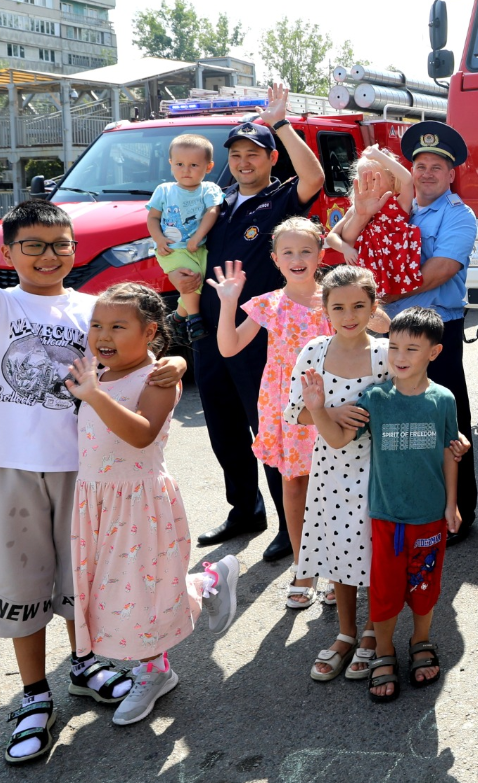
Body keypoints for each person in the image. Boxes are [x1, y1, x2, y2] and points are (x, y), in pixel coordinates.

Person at [0, 185, 185, 762]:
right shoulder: (2, 304)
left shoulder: (88, 306)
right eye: (33, 246)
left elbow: (135, 346)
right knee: (22, 583)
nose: (48, 255)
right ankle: (33, 694)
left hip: (82, 470)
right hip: (11, 464)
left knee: (80, 581)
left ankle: (84, 666)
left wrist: (174, 359)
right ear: (10, 252)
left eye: (60, 245)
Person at [65, 283, 242, 725]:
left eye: (118, 326)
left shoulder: (159, 378)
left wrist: (93, 395)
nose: (103, 334)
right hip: (96, 501)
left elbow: (142, 433)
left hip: (140, 502)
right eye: (97, 325)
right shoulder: (97, 375)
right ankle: (207, 583)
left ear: (149, 332)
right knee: (114, 592)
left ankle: (154, 671)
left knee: (139, 594)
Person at [169, 83, 325, 564]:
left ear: (271, 159)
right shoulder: (218, 201)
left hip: (263, 336)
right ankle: (245, 509)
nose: (243, 162)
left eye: (253, 154)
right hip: (213, 331)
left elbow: (314, 176)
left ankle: (288, 522)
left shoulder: (281, 200)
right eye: (235, 154)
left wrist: (280, 121)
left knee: (271, 430)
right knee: (223, 425)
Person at [337, 120, 478, 538]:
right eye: (420, 165)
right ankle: (405, 508)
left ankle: (460, 512)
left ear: (452, 174)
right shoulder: (388, 203)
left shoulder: (460, 215)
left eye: (438, 166)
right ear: (410, 171)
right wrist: (357, 224)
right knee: (395, 422)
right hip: (387, 328)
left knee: (447, 421)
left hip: (438, 329)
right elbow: (341, 239)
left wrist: (377, 290)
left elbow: (440, 271)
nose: (428, 173)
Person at [208, 219, 332, 608]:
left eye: (306, 251)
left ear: (320, 255)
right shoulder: (269, 304)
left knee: (334, 487)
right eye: (288, 252)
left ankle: (336, 570)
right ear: (276, 259)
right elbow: (229, 348)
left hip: (332, 402)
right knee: (294, 484)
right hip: (287, 407)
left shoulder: (334, 298)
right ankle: (303, 567)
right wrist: (228, 304)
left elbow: (375, 328)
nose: (297, 259)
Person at [288, 265, 390, 682]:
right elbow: (295, 412)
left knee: (376, 549)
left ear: (373, 307)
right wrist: (328, 411)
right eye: (339, 307)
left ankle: (372, 631)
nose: (349, 315)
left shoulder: (387, 352)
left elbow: (417, 398)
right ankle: (346, 633)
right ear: (325, 308)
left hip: (380, 469)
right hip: (331, 471)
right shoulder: (313, 350)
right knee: (340, 550)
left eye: (359, 306)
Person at [358, 307, 465, 702]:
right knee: (384, 590)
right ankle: (383, 650)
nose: (400, 357)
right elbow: (336, 435)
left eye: (412, 349)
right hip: (386, 518)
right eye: (394, 347)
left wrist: (452, 505)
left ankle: (421, 640)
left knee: (425, 586)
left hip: (430, 518)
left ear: (434, 353)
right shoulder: (375, 398)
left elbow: (450, 453)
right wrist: (319, 407)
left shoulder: (443, 400)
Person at [325, 146, 422, 303]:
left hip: (394, 273)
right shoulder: (356, 208)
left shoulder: (399, 204)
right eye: (363, 179)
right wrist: (346, 249)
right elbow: (331, 237)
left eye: (374, 178)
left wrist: (378, 156)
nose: (369, 184)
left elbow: (408, 179)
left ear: (391, 179)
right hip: (365, 273)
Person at [145, 134, 224, 280]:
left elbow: (213, 211)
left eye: (193, 165)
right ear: (171, 163)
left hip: (199, 248)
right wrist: (159, 239)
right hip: (172, 250)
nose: (185, 170)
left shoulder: (209, 189)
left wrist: (197, 238)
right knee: (191, 286)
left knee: (200, 287)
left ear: (209, 167)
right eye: (179, 164)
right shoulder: (164, 190)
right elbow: (153, 218)